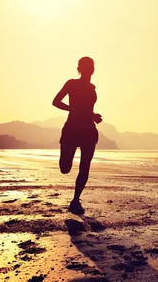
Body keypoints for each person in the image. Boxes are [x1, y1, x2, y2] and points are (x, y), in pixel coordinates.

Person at [52, 56, 102, 215]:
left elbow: (86, 109)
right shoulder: (71, 84)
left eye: (91, 67)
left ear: (93, 69)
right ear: (80, 69)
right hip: (72, 129)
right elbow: (56, 101)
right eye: (86, 67)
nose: (90, 69)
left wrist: (92, 116)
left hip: (88, 130)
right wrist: (72, 110)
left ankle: (75, 200)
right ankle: (74, 199)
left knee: (85, 167)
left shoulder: (93, 88)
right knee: (65, 168)